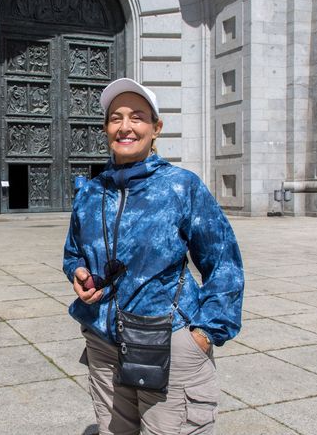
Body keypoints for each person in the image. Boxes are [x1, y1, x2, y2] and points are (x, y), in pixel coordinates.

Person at [63, 78, 244, 435]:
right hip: (103, 341)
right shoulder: (91, 192)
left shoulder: (181, 186)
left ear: (155, 128)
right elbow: (73, 253)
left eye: (137, 117)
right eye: (116, 118)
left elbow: (223, 263)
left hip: (168, 339)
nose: (125, 127)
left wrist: (205, 334)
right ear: (106, 128)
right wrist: (80, 272)